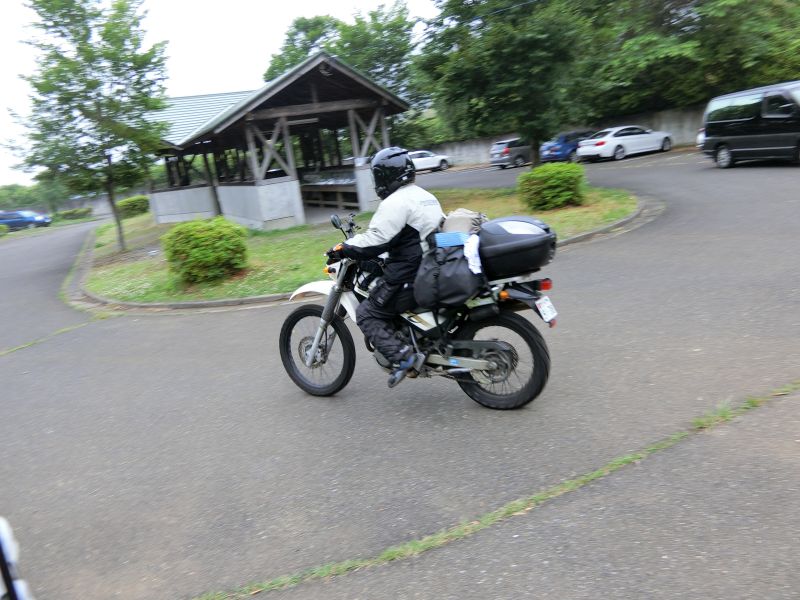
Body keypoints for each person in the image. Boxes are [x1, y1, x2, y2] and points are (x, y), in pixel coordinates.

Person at [326, 147, 444, 386]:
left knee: (367, 313)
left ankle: (404, 357)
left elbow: (376, 240)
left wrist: (344, 248)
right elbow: (408, 236)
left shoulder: (396, 202)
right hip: (433, 267)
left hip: (409, 276)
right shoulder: (425, 196)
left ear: (385, 176)